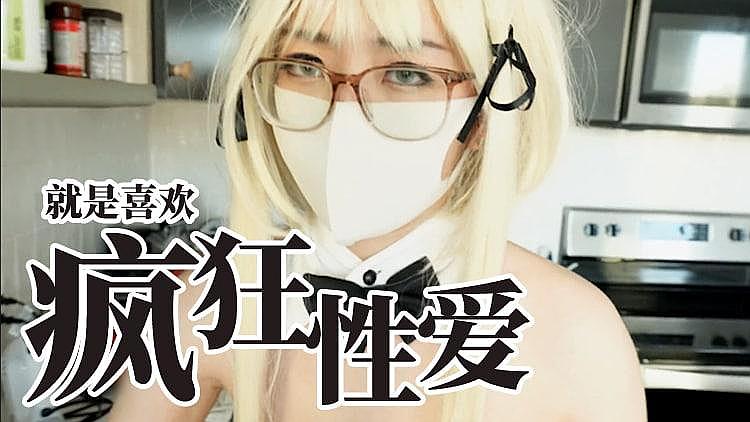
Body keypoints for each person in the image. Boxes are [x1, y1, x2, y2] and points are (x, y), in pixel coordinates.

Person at [109, 0, 647, 421]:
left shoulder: (577, 334)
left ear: (488, 108)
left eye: (408, 73)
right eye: (303, 64)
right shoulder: (209, 301)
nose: (341, 112)